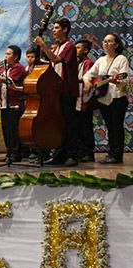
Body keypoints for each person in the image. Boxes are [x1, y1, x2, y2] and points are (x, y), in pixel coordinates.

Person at [34, 17, 79, 166]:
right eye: (53, 28)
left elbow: (56, 60)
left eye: (57, 28)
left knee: (70, 123)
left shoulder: (69, 46)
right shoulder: (57, 46)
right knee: (59, 123)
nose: (53, 30)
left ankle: (72, 155)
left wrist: (43, 45)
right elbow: (49, 63)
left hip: (67, 90)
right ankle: (59, 154)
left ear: (65, 29)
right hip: (56, 91)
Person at [83, 33, 130, 164]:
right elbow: (88, 75)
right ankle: (111, 153)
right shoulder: (100, 60)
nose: (105, 44)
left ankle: (117, 156)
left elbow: (124, 79)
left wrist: (114, 80)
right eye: (104, 41)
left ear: (116, 45)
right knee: (110, 126)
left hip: (117, 98)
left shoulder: (122, 59)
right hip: (103, 98)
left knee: (117, 127)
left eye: (109, 41)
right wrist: (87, 83)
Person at [0, 46, 26, 162]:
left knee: (13, 129)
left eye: (8, 54)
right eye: (5, 54)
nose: (5, 56)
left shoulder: (18, 67)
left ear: (16, 57)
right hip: (4, 103)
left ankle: (16, 153)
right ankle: (9, 153)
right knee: (6, 129)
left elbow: (8, 80)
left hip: (14, 104)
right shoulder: (5, 68)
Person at [74, 40, 96, 162]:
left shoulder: (88, 63)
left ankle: (89, 152)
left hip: (85, 99)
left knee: (86, 127)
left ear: (86, 50)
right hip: (76, 99)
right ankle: (80, 151)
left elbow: (87, 77)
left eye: (78, 48)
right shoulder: (77, 64)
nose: (75, 50)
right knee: (77, 127)